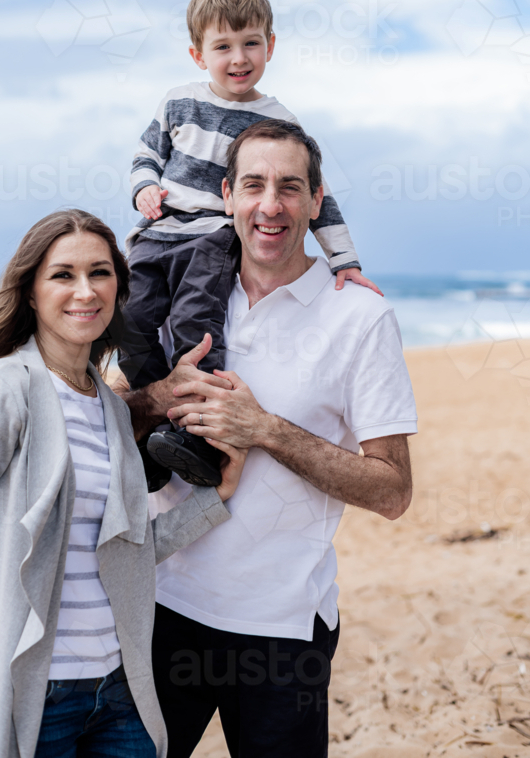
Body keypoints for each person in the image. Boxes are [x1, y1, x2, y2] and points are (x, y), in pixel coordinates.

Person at [121, 121, 418, 757]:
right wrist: (156, 398)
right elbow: (112, 419)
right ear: (227, 194)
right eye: (253, 184)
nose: (270, 204)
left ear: (316, 201)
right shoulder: (184, 288)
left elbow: (393, 490)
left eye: (290, 187)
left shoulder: (361, 318)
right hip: (161, 608)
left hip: (282, 631)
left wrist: (265, 430)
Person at [0, 209, 246, 758]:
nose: (85, 291)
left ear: (120, 286)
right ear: (30, 292)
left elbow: (128, 550)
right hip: (38, 695)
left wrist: (216, 499)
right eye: (63, 275)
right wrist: (15, 600)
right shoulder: (5, 387)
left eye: (100, 273)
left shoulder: (110, 408)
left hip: (121, 692)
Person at [118, 0, 381, 485]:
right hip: (157, 234)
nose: (238, 58)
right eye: (223, 47)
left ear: (271, 46)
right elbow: (145, 155)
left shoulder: (278, 120)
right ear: (198, 55)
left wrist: (344, 260)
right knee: (129, 325)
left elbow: (314, 194)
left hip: (212, 242)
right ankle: (155, 432)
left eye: (251, 44)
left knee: (198, 331)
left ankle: (193, 437)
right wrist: (143, 188)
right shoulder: (177, 103)